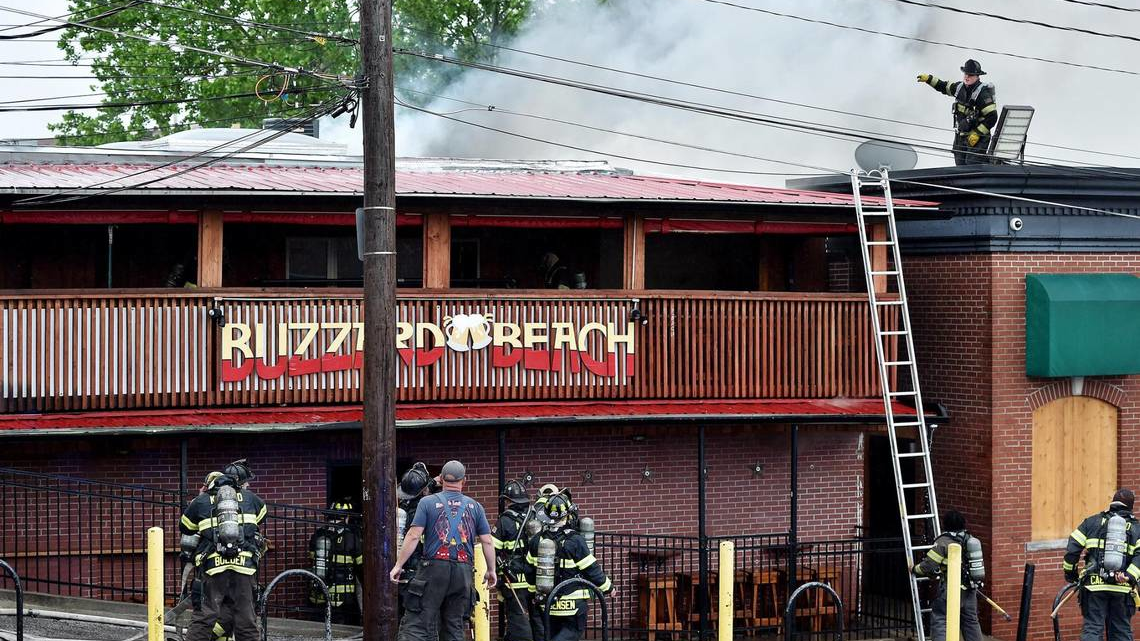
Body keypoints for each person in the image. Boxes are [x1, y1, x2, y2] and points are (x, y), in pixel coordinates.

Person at [391, 460, 497, 641]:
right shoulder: (476, 507)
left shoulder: (427, 503)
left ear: (441, 479)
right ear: (464, 480)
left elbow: (413, 535)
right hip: (463, 572)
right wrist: (491, 570)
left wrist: (398, 565)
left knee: (417, 625)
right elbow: (487, 541)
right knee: (454, 626)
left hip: (433, 570)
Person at [179, 459, 267, 641]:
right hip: (244, 567)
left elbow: (185, 526)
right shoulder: (251, 498)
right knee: (246, 621)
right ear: (240, 483)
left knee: (205, 616)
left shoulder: (201, 501)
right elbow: (262, 515)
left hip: (213, 567)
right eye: (247, 483)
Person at [526, 491, 612, 641]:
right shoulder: (575, 541)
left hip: (548, 604)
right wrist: (608, 588)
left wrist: (535, 595)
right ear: (567, 516)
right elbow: (592, 570)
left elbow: (529, 572)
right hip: (574, 606)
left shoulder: (537, 541)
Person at [1064, 489, 1140, 641]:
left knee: (1092, 629)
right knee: (1121, 632)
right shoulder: (1136, 528)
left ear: (1112, 503)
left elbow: (1072, 549)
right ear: (1131, 507)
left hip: (1094, 587)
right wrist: (1129, 576)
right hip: (1122, 589)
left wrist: (1071, 575)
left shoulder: (1091, 522)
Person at [912, 510, 984, 641]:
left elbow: (928, 566)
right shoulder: (970, 539)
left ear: (945, 524)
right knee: (971, 622)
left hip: (950, 589)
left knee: (940, 619)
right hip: (970, 589)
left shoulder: (944, 542)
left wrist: (915, 569)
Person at [916, 59, 998, 166]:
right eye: (966, 74)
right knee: (960, 167)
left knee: (973, 165)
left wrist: (977, 133)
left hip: (978, 139)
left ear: (977, 76)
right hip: (961, 137)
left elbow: (992, 117)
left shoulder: (983, 94)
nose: (967, 77)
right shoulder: (959, 88)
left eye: (971, 75)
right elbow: (944, 86)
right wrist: (929, 79)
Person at [308, 499, 363, 624]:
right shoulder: (351, 538)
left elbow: (312, 558)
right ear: (347, 517)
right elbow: (361, 565)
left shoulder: (318, 535)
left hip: (318, 593)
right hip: (343, 598)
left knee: (320, 627)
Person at [494, 480, 535, 641]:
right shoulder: (535, 517)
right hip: (535, 578)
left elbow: (492, 549)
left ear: (508, 501)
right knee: (535, 619)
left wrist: (497, 570)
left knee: (518, 619)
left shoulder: (505, 521)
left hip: (514, 579)